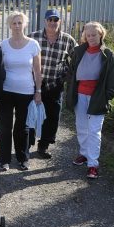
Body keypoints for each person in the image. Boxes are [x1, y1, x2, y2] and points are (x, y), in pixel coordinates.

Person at [65, 22, 114, 179]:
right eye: (88, 35)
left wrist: (105, 97)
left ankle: (93, 164)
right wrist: (69, 89)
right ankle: (83, 153)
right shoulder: (78, 51)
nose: (91, 38)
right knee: (81, 126)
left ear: (101, 34)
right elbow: (71, 73)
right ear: (84, 36)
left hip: (98, 98)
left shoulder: (109, 55)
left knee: (94, 131)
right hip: (80, 95)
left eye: (94, 35)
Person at [28, 9, 77, 159]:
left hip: (55, 84)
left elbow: (76, 58)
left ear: (59, 22)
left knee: (52, 116)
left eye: (55, 20)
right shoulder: (33, 37)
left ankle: (43, 146)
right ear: (45, 21)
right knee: (30, 114)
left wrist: (66, 76)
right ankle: (26, 144)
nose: (52, 23)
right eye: (50, 20)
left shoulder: (67, 39)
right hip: (34, 83)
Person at [0, 12, 42, 172]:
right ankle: (4, 160)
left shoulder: (33, 45)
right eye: (14, 23)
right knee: (4, 126)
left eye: (20, 23)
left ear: (25, 25)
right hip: (6, 92)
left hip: (26, 92)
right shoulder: (3, 45)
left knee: (22, 127)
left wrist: (38, 91)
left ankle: (23, 158)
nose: (17, 26)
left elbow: (37, 70)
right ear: (10, 25)